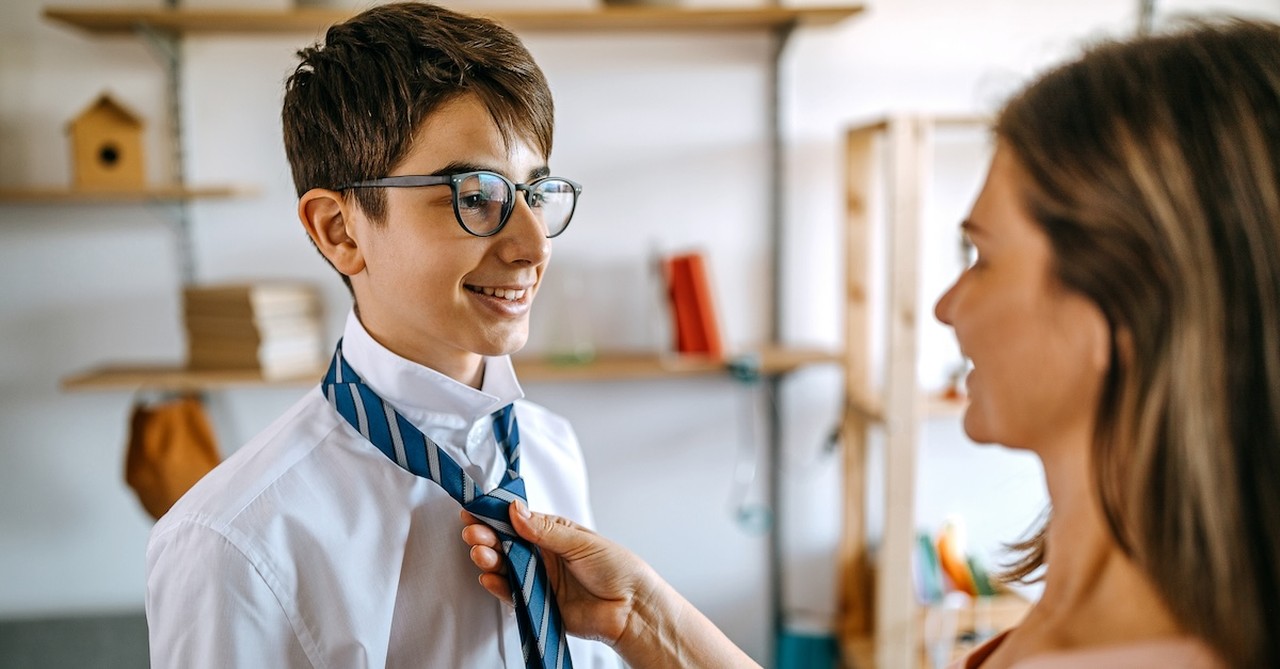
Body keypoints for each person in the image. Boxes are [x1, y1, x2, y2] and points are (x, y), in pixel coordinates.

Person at [462, 18, 1280, 669]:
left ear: (1120, 309)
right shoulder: (1104, 603)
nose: (946, 305)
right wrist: (641, 616)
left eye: (981, 258)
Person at [145, 3, 621, 668]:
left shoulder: (551, 451)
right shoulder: (233, 542)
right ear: (340, 230)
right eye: (476, 195)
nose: (533, 246)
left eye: (536, 194)